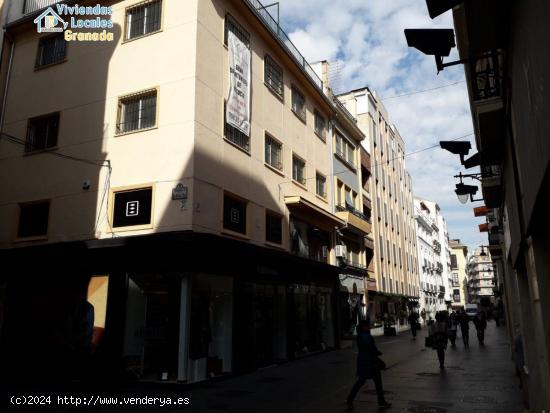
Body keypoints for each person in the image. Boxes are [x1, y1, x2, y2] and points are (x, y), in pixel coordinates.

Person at [346, 320, 391, 409]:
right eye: (368, 325)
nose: (369, 327)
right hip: (370, 362)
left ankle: (350, 399)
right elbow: (369, 348)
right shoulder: (365, 336)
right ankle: (381, 401)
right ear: (364, 327)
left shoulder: (361, 335)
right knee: (377, 382)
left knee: (361, 381)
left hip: (364, 361)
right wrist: (377, 354)